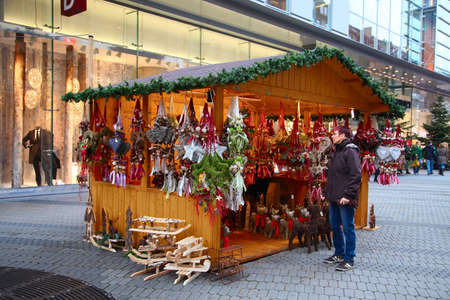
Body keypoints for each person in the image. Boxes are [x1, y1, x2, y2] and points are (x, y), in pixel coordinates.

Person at [322, 126, 361, 272]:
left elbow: (356, 175)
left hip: (345, 197)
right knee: (334, 224)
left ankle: (349, 258)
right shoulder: (336, 150)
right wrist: (326, 192)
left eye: (335, 133)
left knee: (348, 227)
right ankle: (339, 253)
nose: (332, 135)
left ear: (343, 135)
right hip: (334, 196)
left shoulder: (350, 151)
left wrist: (348, 195)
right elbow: (332, 175)